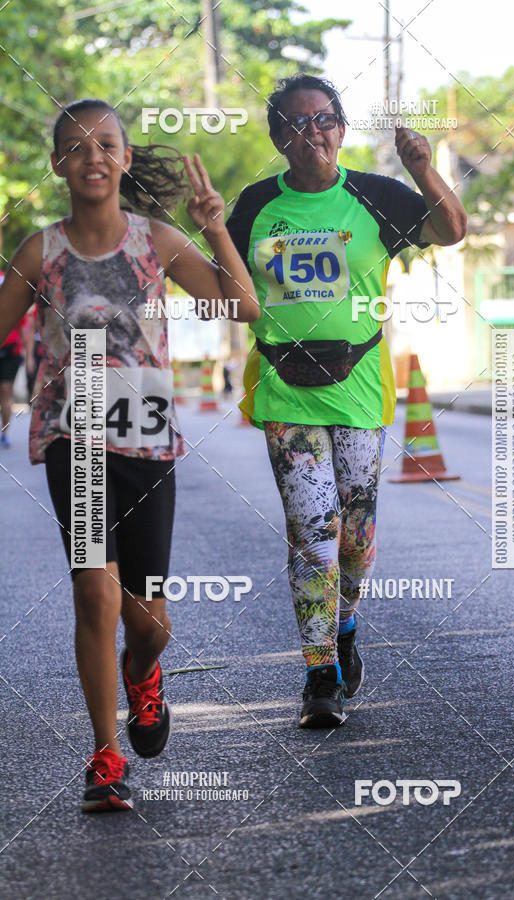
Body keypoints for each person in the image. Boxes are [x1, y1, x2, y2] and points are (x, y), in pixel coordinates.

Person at [0, 98, 258, 811]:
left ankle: (144, 675)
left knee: (149, 622)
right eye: (77, 147)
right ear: (58, 165)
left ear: (124, 158)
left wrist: (216, 231)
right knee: (95, 593)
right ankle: (105, 755)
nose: (93, 157)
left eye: (106, 144)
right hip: (74, 444)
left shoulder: (157, 241)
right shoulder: (40, 252)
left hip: (147, 441)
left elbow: (242, 307)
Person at [227, 74, 466, 728]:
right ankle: (320, 673)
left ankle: (348, 623)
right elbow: (219, 279)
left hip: (360, 388)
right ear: (278, 137)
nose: (315, 133)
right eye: (298, 124)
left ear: (342, 127)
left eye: (326, 119)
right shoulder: (252, 207)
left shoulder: (375, 194)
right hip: (285, 391)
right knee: (315, 538)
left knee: (356, 543)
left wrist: (422, 168)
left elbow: (451, 230)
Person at [0, 272, 26, 448]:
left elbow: (25, 329)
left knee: (6, 393)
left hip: (10, 353)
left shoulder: (9, 282)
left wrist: (29, 354)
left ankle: (5, 432)